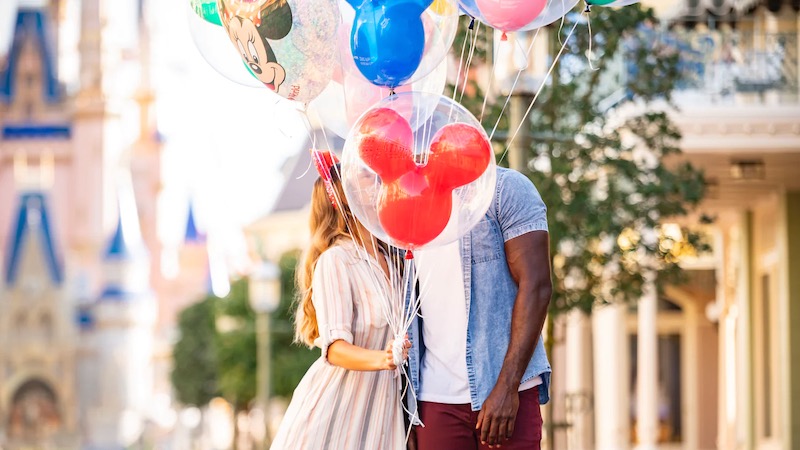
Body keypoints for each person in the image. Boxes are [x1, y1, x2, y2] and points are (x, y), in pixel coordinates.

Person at [407, 167, 553, 450]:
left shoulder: (505, 189)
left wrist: (507, 388)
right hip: (435, 396)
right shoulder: (405, 202)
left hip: (505, 391)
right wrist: (407, 409)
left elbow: (537, 286)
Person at [271, 160, 410, 450]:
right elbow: (334, 349)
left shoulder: (395, 260)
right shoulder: (337, 260)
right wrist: (385, 358)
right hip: (337, 412)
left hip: (382, 416)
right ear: (345, 198)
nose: (376, 180)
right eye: (364, 177)